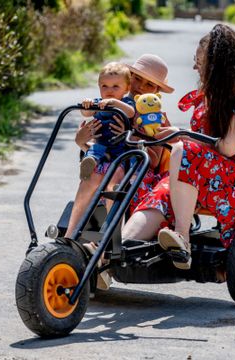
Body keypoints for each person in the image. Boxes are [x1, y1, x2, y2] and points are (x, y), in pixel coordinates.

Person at [123, 24, 235, 271]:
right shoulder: (210, 93)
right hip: (201, 170)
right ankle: (113, 254)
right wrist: (168, 135)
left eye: (200, 62)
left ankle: (181, 238)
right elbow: (198, 143)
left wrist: (182, 140)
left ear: (218, 64)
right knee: (155, 188)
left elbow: (228, 148)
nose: (195, 67)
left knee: (183, 152)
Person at [64, 54, 174, 289]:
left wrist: (133, 133)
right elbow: (95, 142)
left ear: (156, 91)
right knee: (94, 176)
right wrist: (82, 142)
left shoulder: (154, 115)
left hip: (139, 170)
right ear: (128, 79)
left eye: (149, 85)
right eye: (136, 80)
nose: (140, 87)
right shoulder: (110, 104)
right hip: (110, 163)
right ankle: (71, 240)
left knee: (115, 181)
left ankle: (103, 247)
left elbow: (154, 160)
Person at [79, 62, 135, 181]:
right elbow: (86, 114)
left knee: (123, 157)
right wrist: (87, 105)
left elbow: (131, 112)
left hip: (121, 147)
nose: (109, 90)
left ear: (127, 88)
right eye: (104, 86)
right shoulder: (99, 103)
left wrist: (113, 103)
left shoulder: (126, 103)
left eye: (115, 86)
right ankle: (88, 166)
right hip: (102, 144)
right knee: (93, 151)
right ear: (99, 86)